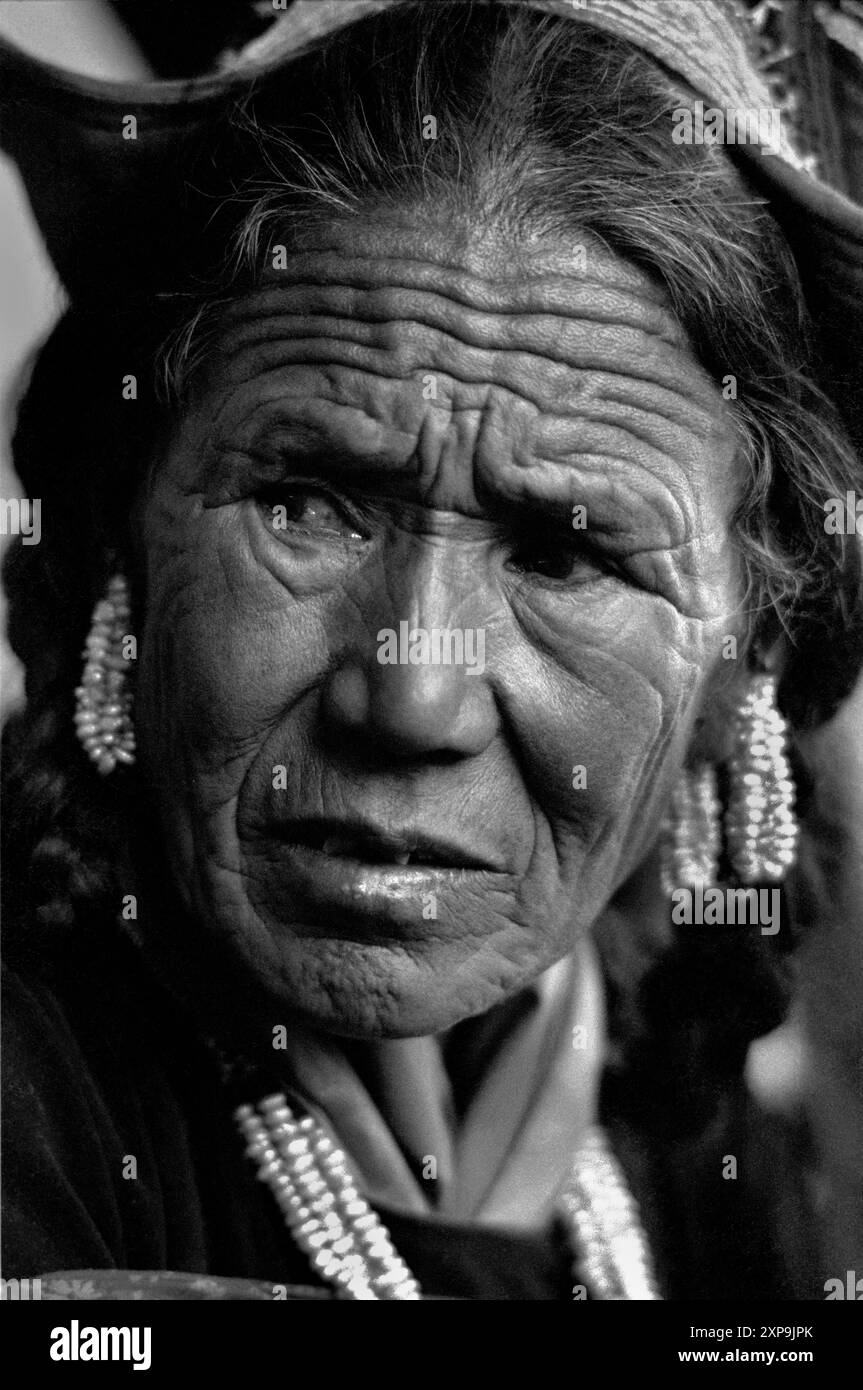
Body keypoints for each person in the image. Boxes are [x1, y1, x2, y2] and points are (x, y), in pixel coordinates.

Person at [1, 0, 862, 1301]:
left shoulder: (679, 1122)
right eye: (308, 501)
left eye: (563, 554)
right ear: (121, 536)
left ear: (745, 657)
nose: (412, 696)